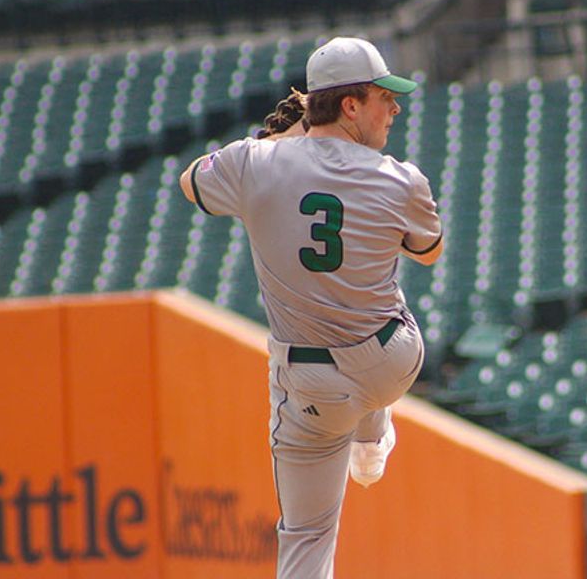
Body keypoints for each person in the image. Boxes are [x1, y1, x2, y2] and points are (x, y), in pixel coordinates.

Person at [178, 36, 443, 579]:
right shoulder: (402, 177)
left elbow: (189, 183)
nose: (394, 107)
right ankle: (370, 439)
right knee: (374, 300)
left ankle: (365, 433)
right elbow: (430, 251)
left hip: (308, 385)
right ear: (350, 106)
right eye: (382, 97)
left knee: (306, 537)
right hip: (391, 360)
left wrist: (292, 135)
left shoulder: (253, 161)